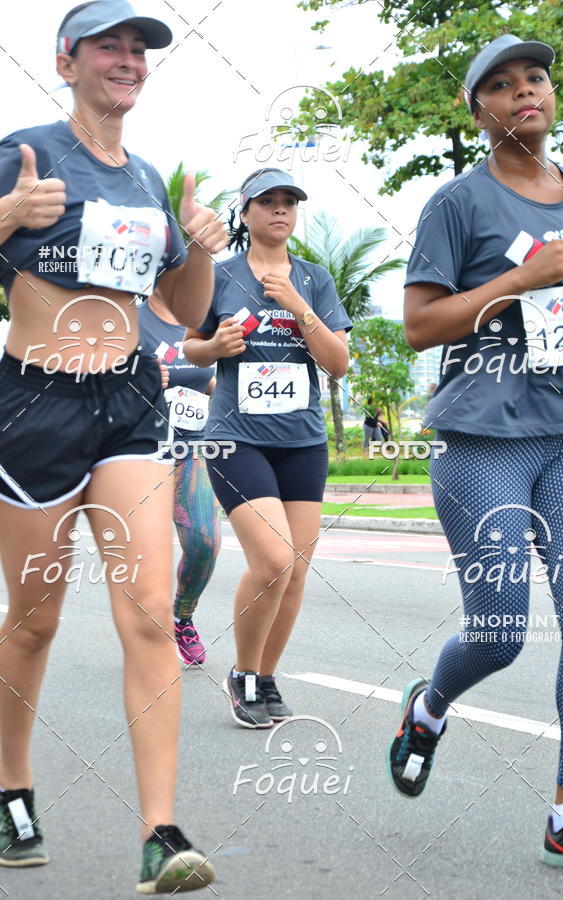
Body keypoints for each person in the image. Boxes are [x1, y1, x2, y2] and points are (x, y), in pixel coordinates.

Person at [0, 1, 228, 892]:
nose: (129, 60)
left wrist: (204, 243)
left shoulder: (147, 181)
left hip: (130, 401)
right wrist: (8, 212)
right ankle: (12, 786)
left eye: (140, 49)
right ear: (66, 61)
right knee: (36, 619)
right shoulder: (23, 151)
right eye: (110, 46)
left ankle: (161, 834)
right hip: (33, 407)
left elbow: (183, 310)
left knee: (145, 607)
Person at [387, 35, 563, 876]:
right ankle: (429, 708)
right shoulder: (458, 203)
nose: (524, 94)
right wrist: (523, 279)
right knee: (502, 631)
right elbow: (419, 325)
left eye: (536, 79)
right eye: (502, 86)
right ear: (477, 110)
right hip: (483, 442)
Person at [183, 168, 352, 728]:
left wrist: (298, 307)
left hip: (303, 442)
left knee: (297, 570)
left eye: (289, 202)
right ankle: (241, 674)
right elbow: (190, 346)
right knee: (274, 559)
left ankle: (264, 678)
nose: (280, 210)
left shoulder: (315, 279)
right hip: (236, 439)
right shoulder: (222, 275)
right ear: (246, 212)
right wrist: (215, 344)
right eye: (268, 202)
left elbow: (337, 362)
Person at [138, 286, 221, 666]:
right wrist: (137, 381)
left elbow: (207, 383)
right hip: (139, 450)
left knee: (204, 543)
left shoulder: (200, 323)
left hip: (192, 448)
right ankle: (142, 629)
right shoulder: (129, 321)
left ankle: (181, 616)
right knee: (143, 551)